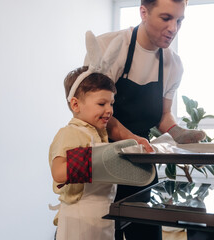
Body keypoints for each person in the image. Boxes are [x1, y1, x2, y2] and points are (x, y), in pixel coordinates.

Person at [82, 0, 207, 239]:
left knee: (148, 234)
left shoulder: (174, 64)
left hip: (142, 167)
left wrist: (180, 135)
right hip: (103, 163)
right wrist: (133, 140)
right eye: (166, 18)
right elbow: (95, 113)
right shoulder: (109, 47)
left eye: (179, 20)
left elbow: (162, 115)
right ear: (143, 12)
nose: (174, 27)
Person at [49, 62, 156, 240]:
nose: (109, 110)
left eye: (111, 103)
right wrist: (100, 159)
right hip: (79, 220)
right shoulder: (72, 133)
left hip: (101, 218)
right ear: (75, 105)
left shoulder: (97, 133)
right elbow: (59, 172)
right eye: (101, 103)